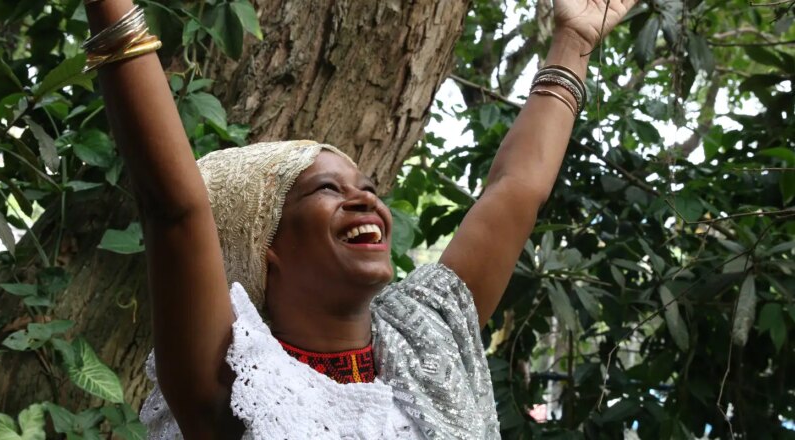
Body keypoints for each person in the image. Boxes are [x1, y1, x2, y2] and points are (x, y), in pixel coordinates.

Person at [82, 0, 637, 438]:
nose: (365, 200)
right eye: (327, 189)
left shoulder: (427, 338)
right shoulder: (236, 378)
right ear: (264, 243)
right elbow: (175, 210)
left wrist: (574, 41)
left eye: (368, 189)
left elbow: (515, 190)